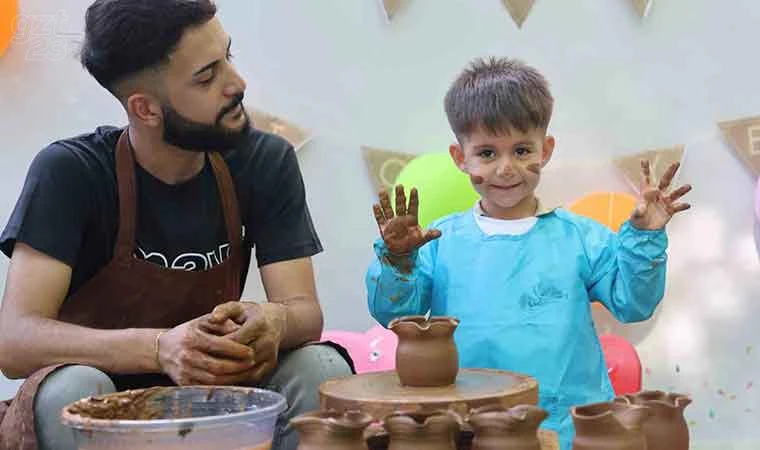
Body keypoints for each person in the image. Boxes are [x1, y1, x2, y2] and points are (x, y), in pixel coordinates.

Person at [0, 1, 352, 449]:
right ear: (146, 109)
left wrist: (274, 319)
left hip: (219, 397)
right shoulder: (71, 172)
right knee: (71, 389)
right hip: (107, 401)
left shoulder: (265, 162)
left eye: (229, 56)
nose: (238, 84)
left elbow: (306, 312)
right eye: (207, 77)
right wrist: (160, 347)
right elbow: (14, 342)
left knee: (319, 367)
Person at [365, 57, 692, 449]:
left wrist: (644, 237)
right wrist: (398, 261)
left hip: (570, 430)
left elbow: (633, 305)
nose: (506, 168)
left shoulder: (581, 238)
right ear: (459, 157)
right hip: (466, 430)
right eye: (487, 153)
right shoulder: (439, 242)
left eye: (522, 150)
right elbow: (395, 315)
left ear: (546, 148)